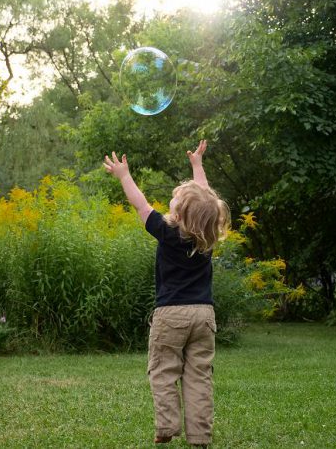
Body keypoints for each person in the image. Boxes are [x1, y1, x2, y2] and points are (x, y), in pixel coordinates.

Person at [103, 140, 230, 448]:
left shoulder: (167, 231)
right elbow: (204, 202)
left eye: (174, 201)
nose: (170, 202)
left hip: (171, 314)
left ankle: (167, 427)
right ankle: (199, 437)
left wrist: (124, 176)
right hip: (204, 315)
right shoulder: (206, 237)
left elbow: (140, 203)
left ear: (180, 214)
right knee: (199, 376)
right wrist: (197, 167)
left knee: (163, 371)